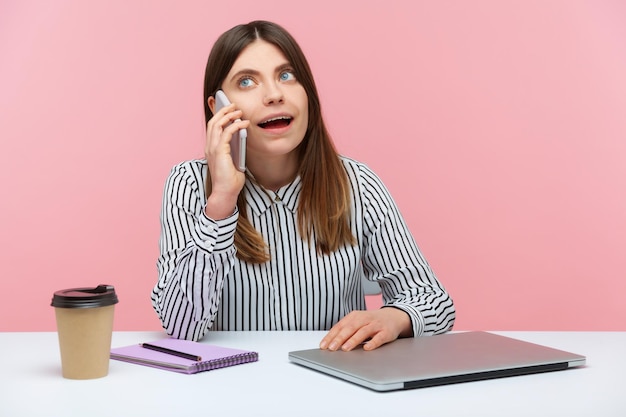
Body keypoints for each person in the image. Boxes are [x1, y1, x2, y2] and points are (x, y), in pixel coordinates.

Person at [151, 20, 455, 352]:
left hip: (335, 385)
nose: (274, 94)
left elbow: (433, 301)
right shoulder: (189, 185)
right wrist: (222, 200)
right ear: (219, 109)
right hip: (231, 387)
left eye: (286, 75)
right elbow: (181, 328)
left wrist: (395, 317)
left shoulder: (358, 184)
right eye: (247, 81)